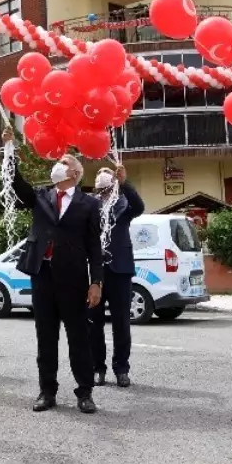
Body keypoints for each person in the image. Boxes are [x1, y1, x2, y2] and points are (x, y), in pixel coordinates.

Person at [4, 129, 103, 414]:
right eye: (58, 161)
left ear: (74, 173)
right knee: (45, 337)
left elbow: (95, 246)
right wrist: (9, 149)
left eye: (65, 162)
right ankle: (47, 391)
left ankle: (85, 392)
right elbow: (15, 183)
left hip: (73, 278)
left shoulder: (89, 204)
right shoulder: (41, 197)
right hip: (43, 275)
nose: (58, 165)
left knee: (78, 337)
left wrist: (96, 281)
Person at [86, 165, 144, 388]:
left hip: (120, 271)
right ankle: (97, 368)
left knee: (121, 324)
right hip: (94, 273)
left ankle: (121, 369)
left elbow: (139, 206)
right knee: (93, 323)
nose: (105, 193)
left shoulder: (124, 207)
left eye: (109, 188)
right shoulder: (90, 207)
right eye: (102, 189)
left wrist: (125, 182)